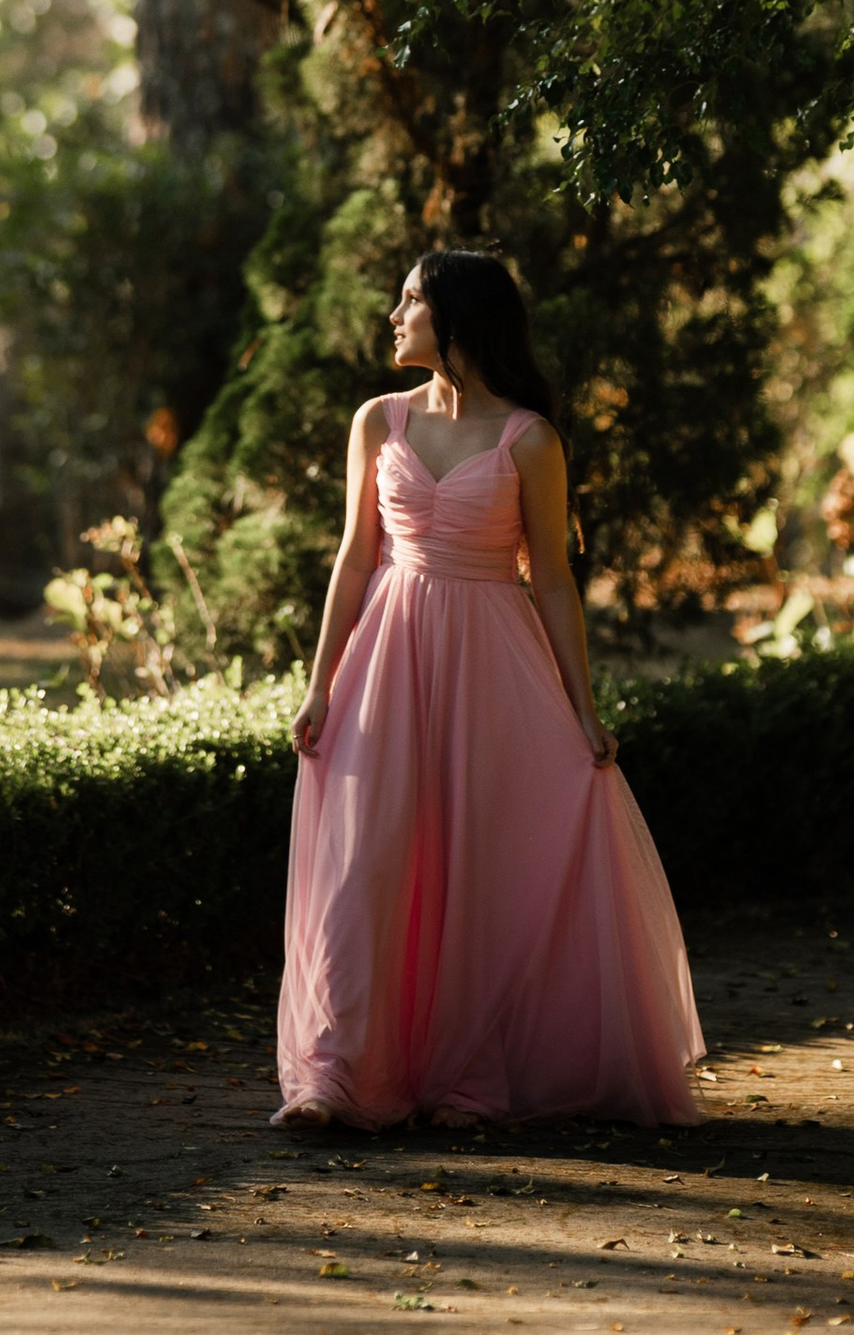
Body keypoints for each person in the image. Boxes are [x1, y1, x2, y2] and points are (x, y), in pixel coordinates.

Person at [275, 248, 707, 1130]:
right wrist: (320, 684)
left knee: (478, 865)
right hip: (387, 661)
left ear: (456, 318)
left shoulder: (529, 439)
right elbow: (355, 558)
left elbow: (551, 577)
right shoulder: (378, 421)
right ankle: (334, 1079)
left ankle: (470, 1081)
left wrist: (581, 709)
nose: (393, 317)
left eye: (409, 302)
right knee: (367, 864)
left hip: (492, 665)